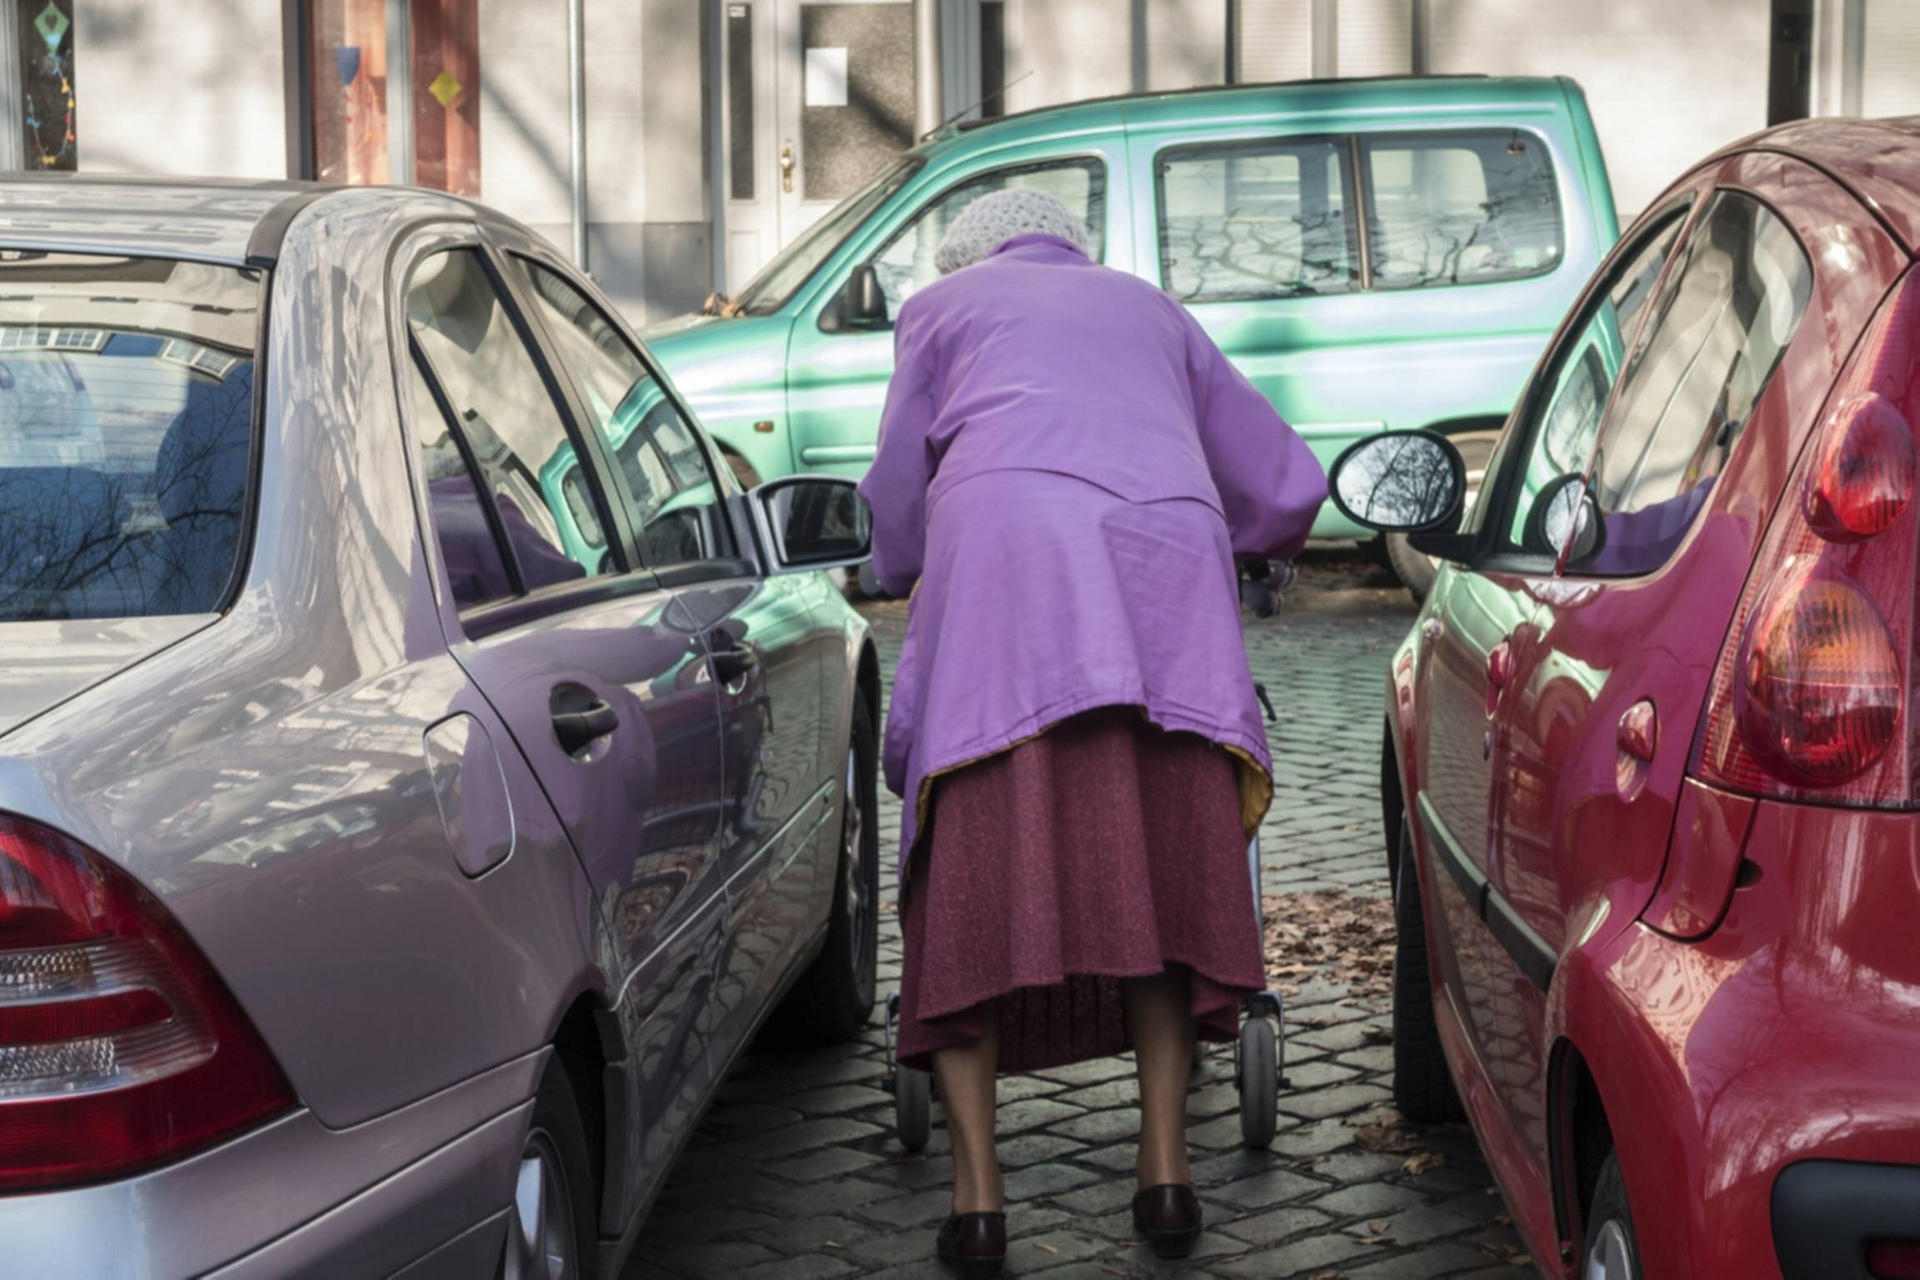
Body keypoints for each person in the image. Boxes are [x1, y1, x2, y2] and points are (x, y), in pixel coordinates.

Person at [858, 188, 1325, 1277]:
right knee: (1160, 885)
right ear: (1073, 248)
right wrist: (1248, 539)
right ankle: (1166, 1174)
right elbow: (1284, 482)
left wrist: (894, 564)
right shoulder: (1151, 307)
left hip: (1006, 593)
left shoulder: (941, 307)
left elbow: (897, 506)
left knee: (969, 889)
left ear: (971, 258)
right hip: (1166, 598)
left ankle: (980, 1204)